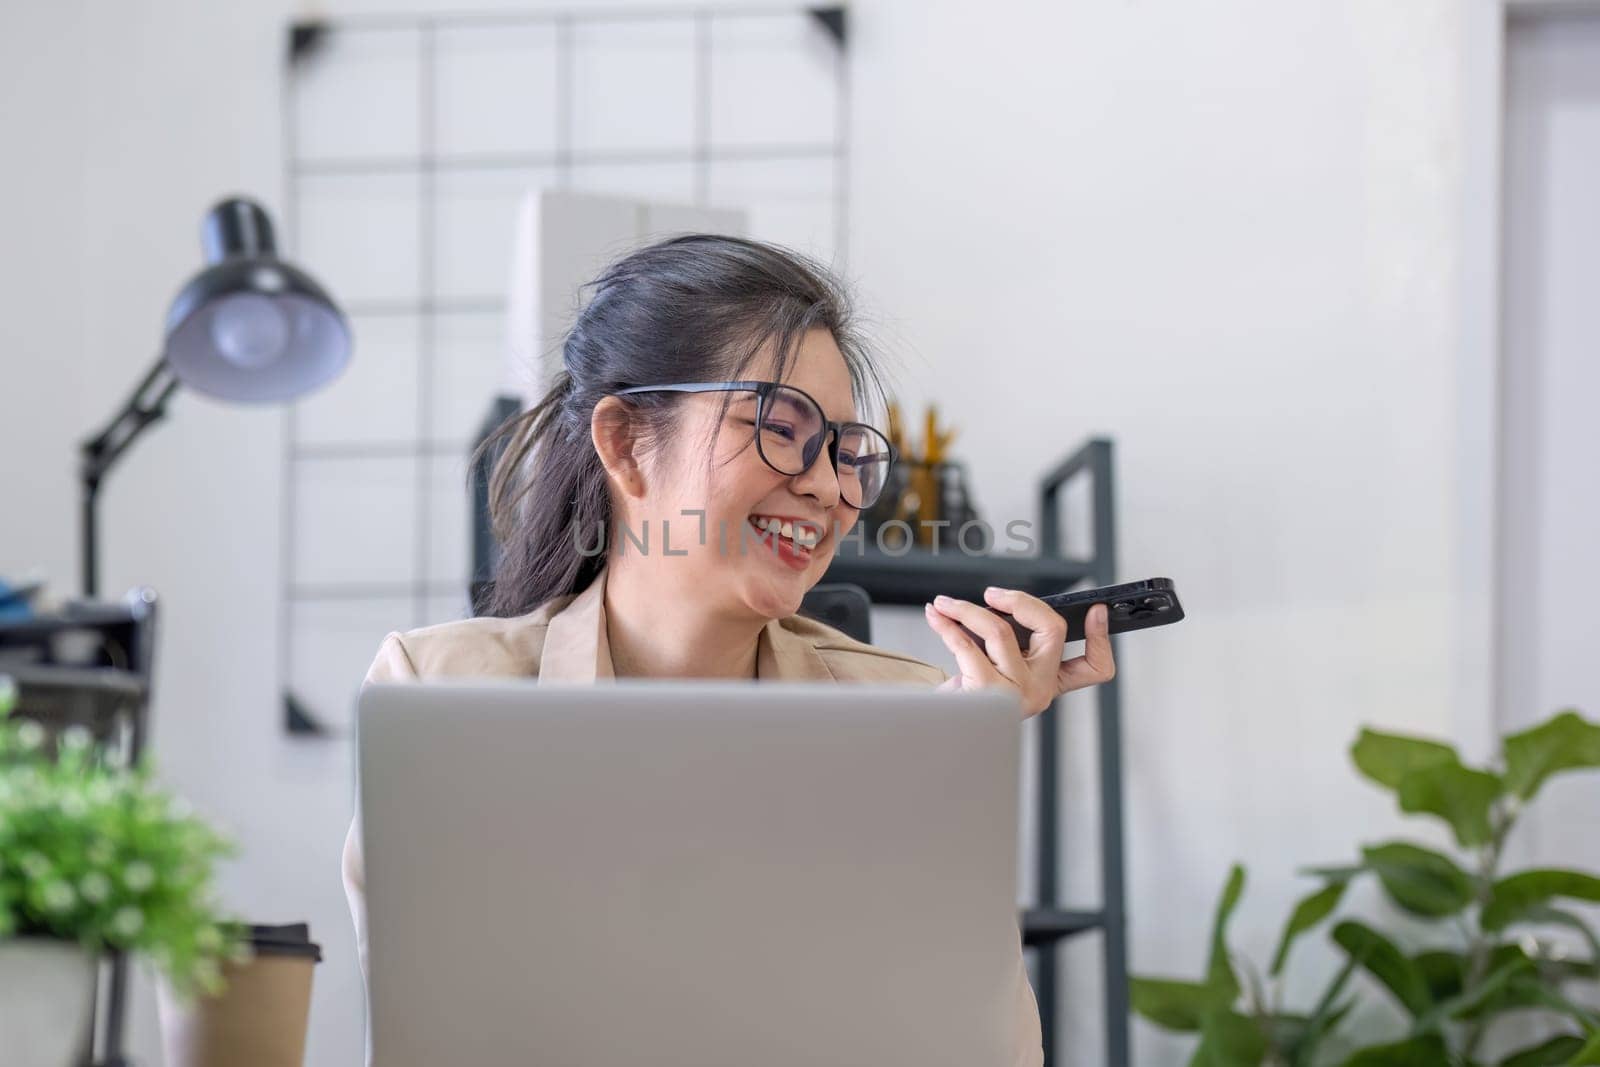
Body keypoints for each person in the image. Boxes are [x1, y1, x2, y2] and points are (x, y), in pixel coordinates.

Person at [341, 234, 1115, 1066]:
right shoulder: (443, 696)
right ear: (627, 442)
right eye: (781, 428)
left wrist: (937, 793)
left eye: (846, 452)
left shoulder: (918, 713)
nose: (827, 486)